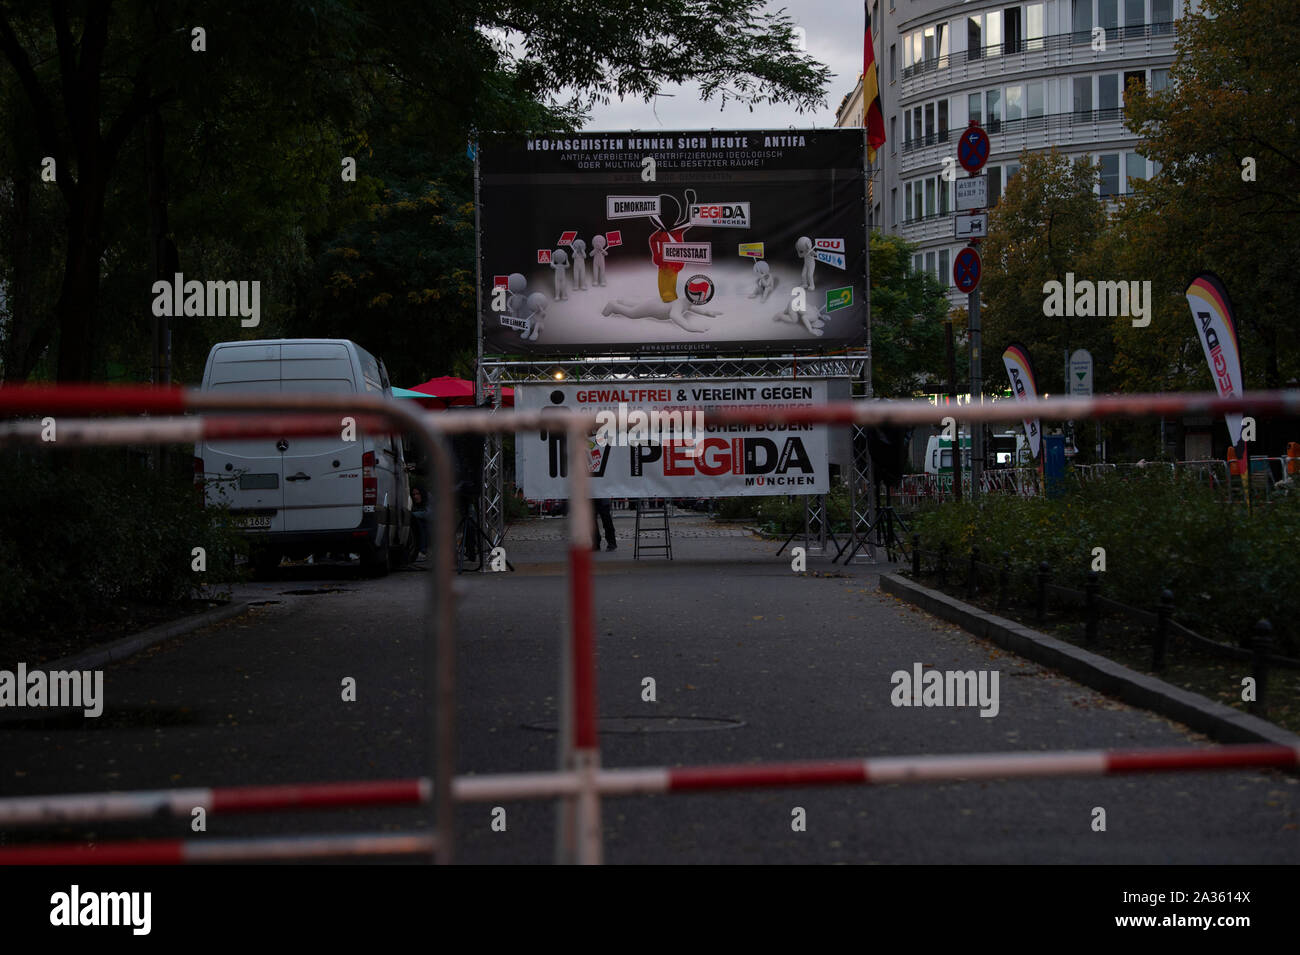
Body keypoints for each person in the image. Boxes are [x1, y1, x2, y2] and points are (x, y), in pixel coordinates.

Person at [410, 485, 430, 560]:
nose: (415, 496)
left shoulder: (429, 498)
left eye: (417, 494)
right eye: (414, 494)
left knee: (420, 522)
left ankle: (423, 550)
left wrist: (412, 515)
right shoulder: (412, 502)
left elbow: (429, 514)